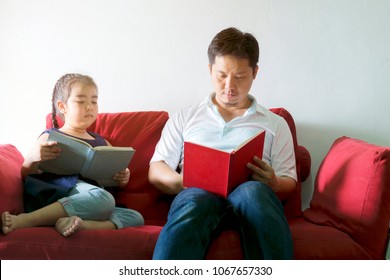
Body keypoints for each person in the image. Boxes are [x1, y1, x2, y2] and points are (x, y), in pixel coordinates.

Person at [149, 27, 297, 259]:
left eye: (239, 77)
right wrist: (183, 182)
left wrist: (275, 182)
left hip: (251, 199)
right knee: (195, 201)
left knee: (254, 193)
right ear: (210, 70)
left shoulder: (275, 124)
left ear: (255, 72)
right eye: (221, 75)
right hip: (197, 195)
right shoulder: (185, 116)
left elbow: (290, 182)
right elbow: (156, 169)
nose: (229, 87)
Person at [1, 73, 144, 237]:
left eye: (94, 101)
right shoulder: (50, 136)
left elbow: (116, 180)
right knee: (104, 199)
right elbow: (26, 174)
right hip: (58, 193)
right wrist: (34, 156)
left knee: (134, 217)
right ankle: (26, 220)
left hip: (91, 200)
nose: (89, 107)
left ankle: (79, 224)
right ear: (62, 107)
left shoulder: (103, 142)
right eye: (81, 101)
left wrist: (122, 178)